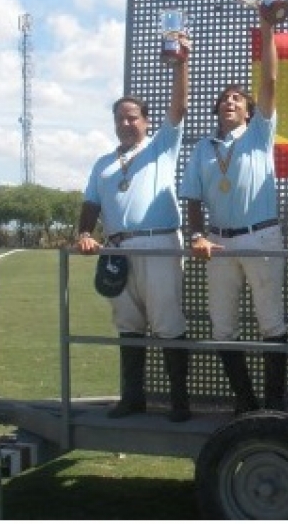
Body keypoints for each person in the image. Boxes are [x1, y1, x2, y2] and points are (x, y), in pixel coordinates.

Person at [75, 36, 191, 423]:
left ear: (145, 120)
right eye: (120, 119)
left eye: (133, 117)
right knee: (127, 324)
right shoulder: (103, 163)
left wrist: (180, 65)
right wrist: (84, 233)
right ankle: (133, 398)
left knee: (167, 321)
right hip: (117, 249)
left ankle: (178, 401)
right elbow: (90, 202)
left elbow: (179, 107)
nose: (126, 124)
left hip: (159, 244)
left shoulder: (162, 145)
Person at [179, 11, 288, 416]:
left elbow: (271, 81)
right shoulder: (203, 149)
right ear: (216, 110)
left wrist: (267, 29)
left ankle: (273, 407)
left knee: (271, 323)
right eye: (224, 99)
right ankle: (246, 402)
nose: (230, 102)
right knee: (222, 325)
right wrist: (196, 236)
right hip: (219, 241)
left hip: (261, 236)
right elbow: (191, 197)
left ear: (249, 111)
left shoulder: (260, 133)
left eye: (237, 99)